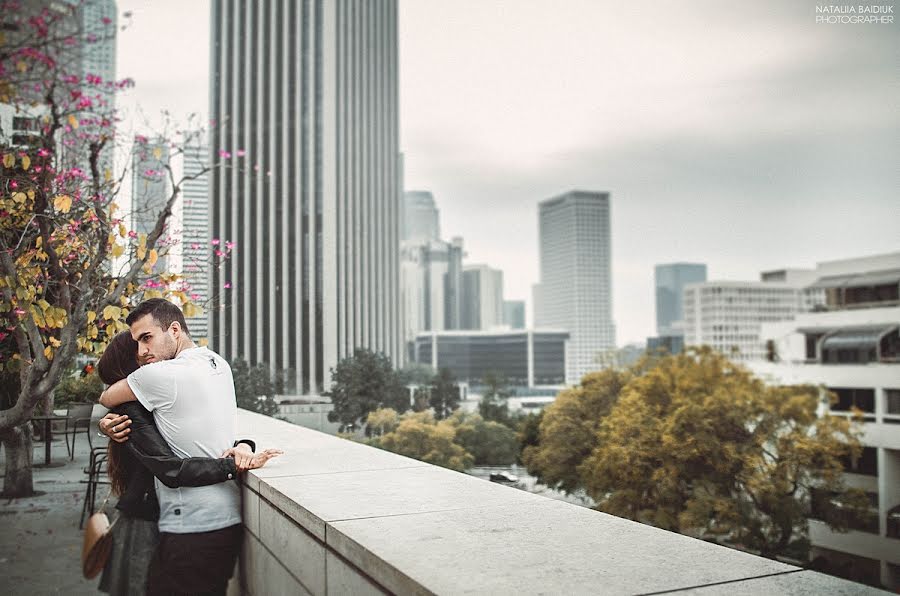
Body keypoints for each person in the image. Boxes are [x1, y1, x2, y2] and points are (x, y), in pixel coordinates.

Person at [99, 298, 267, 595]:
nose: (142, 351)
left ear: (174, 329)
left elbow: (106, 396)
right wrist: (243, 446)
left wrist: (106, 419)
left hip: (192, 528)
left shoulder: (160, 376)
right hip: (225, 518)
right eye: (137, 343)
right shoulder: (219, 363)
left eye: (147, 338)